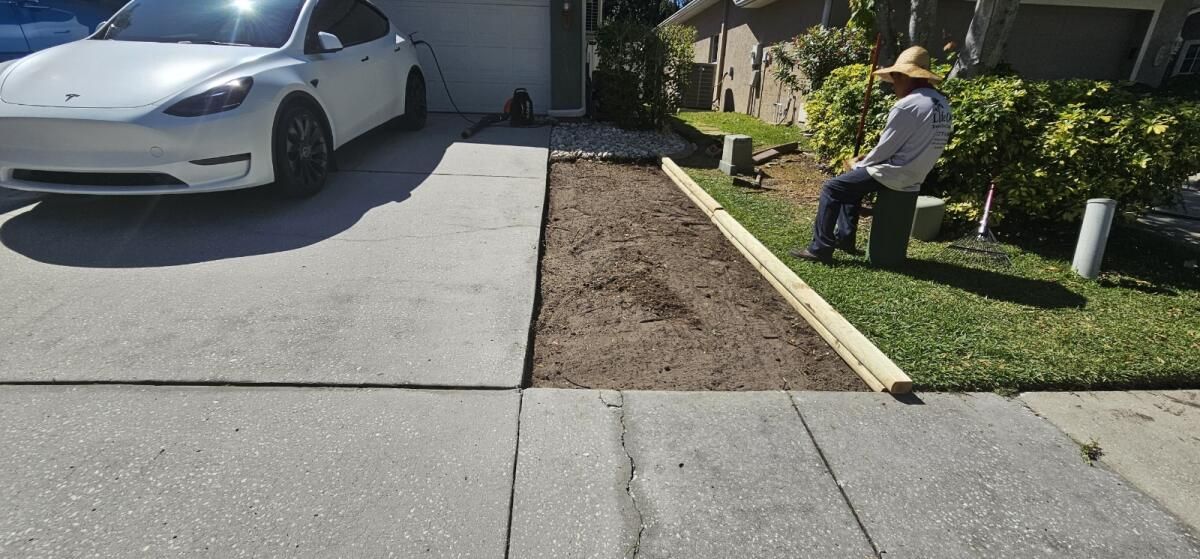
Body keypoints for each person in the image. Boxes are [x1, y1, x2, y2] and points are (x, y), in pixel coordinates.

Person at [791, 46, 953, 264]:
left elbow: (886, 148)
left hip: (894, 173)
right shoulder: (942, 104)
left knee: (833, 188)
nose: (894, 86)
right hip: (916, 173)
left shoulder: (907, 105)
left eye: (895, 80)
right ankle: (845, 239)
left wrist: (859, 164)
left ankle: (820, 249)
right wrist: (866, 162)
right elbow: (911, 144)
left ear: (904, 77)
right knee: (850, 186)